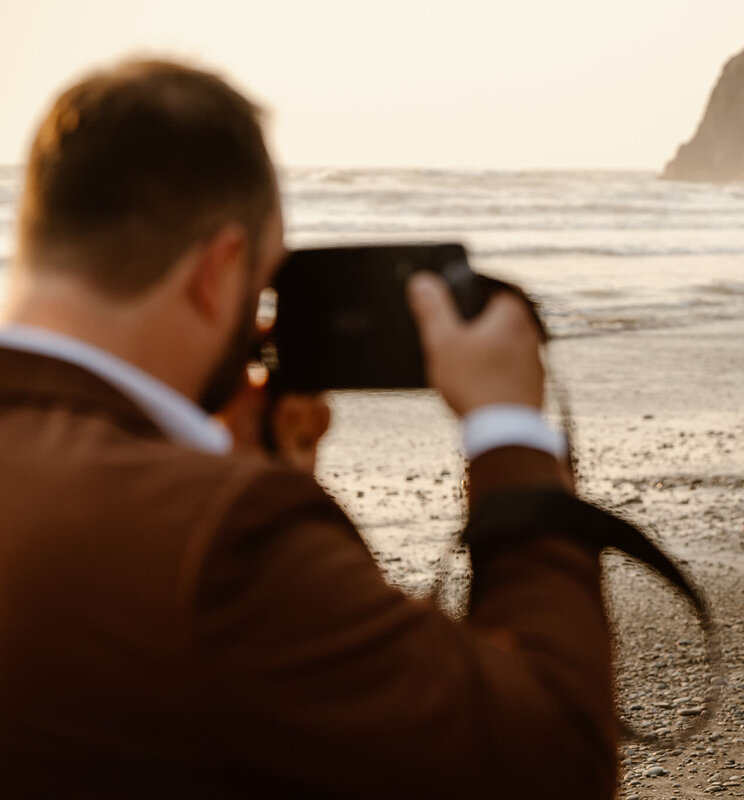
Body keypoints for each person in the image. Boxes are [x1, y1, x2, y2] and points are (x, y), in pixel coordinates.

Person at [0, 59, 618, 798]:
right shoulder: (222, 537)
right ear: (219, 271)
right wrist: (507, 429)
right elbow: (552, 760)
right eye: (263, 285)